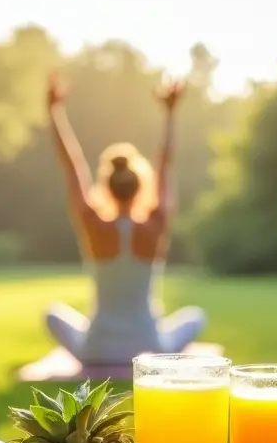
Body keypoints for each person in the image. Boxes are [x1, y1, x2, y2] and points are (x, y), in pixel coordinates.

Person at [43, 73, 206, 364]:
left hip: (96, 350)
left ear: (106, 186)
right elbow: (166, 162)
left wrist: (55, 110)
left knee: (52, 313)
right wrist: (170, 113)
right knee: (195, 316)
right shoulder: (156, 224)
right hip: (150, 348)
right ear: (140, 185)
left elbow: (73, 167)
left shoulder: (93, 224)